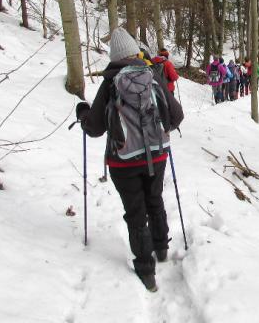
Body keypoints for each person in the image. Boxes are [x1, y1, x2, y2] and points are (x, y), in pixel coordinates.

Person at [75, 28, 184, 293]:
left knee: (136, 212)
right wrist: (162, 129)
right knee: (155, 199)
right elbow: (177, 115)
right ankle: (161, 248)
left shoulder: (111, 82)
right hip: (157, 154)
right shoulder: (152, 76)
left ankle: (146, 272)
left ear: (114, 57)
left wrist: (83, 113)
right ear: (136, 52)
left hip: (123, 161)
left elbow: (95, 128)